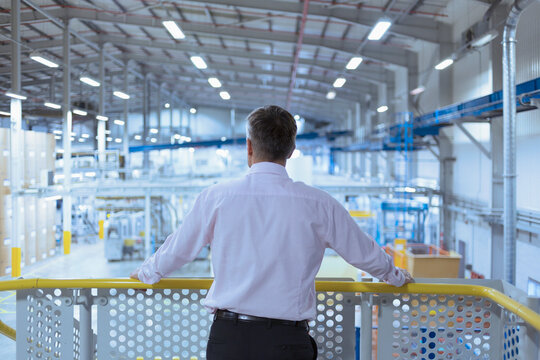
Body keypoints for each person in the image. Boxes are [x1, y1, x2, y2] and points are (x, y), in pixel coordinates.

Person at [130, 105, 413, 360]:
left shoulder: (216, 196)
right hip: (286, 342)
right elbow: (362, 252)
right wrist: (394, 275)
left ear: (249, 147)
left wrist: (148, 272)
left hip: (229, 340)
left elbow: (180, 248)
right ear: (291, 150)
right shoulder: (319, 203)